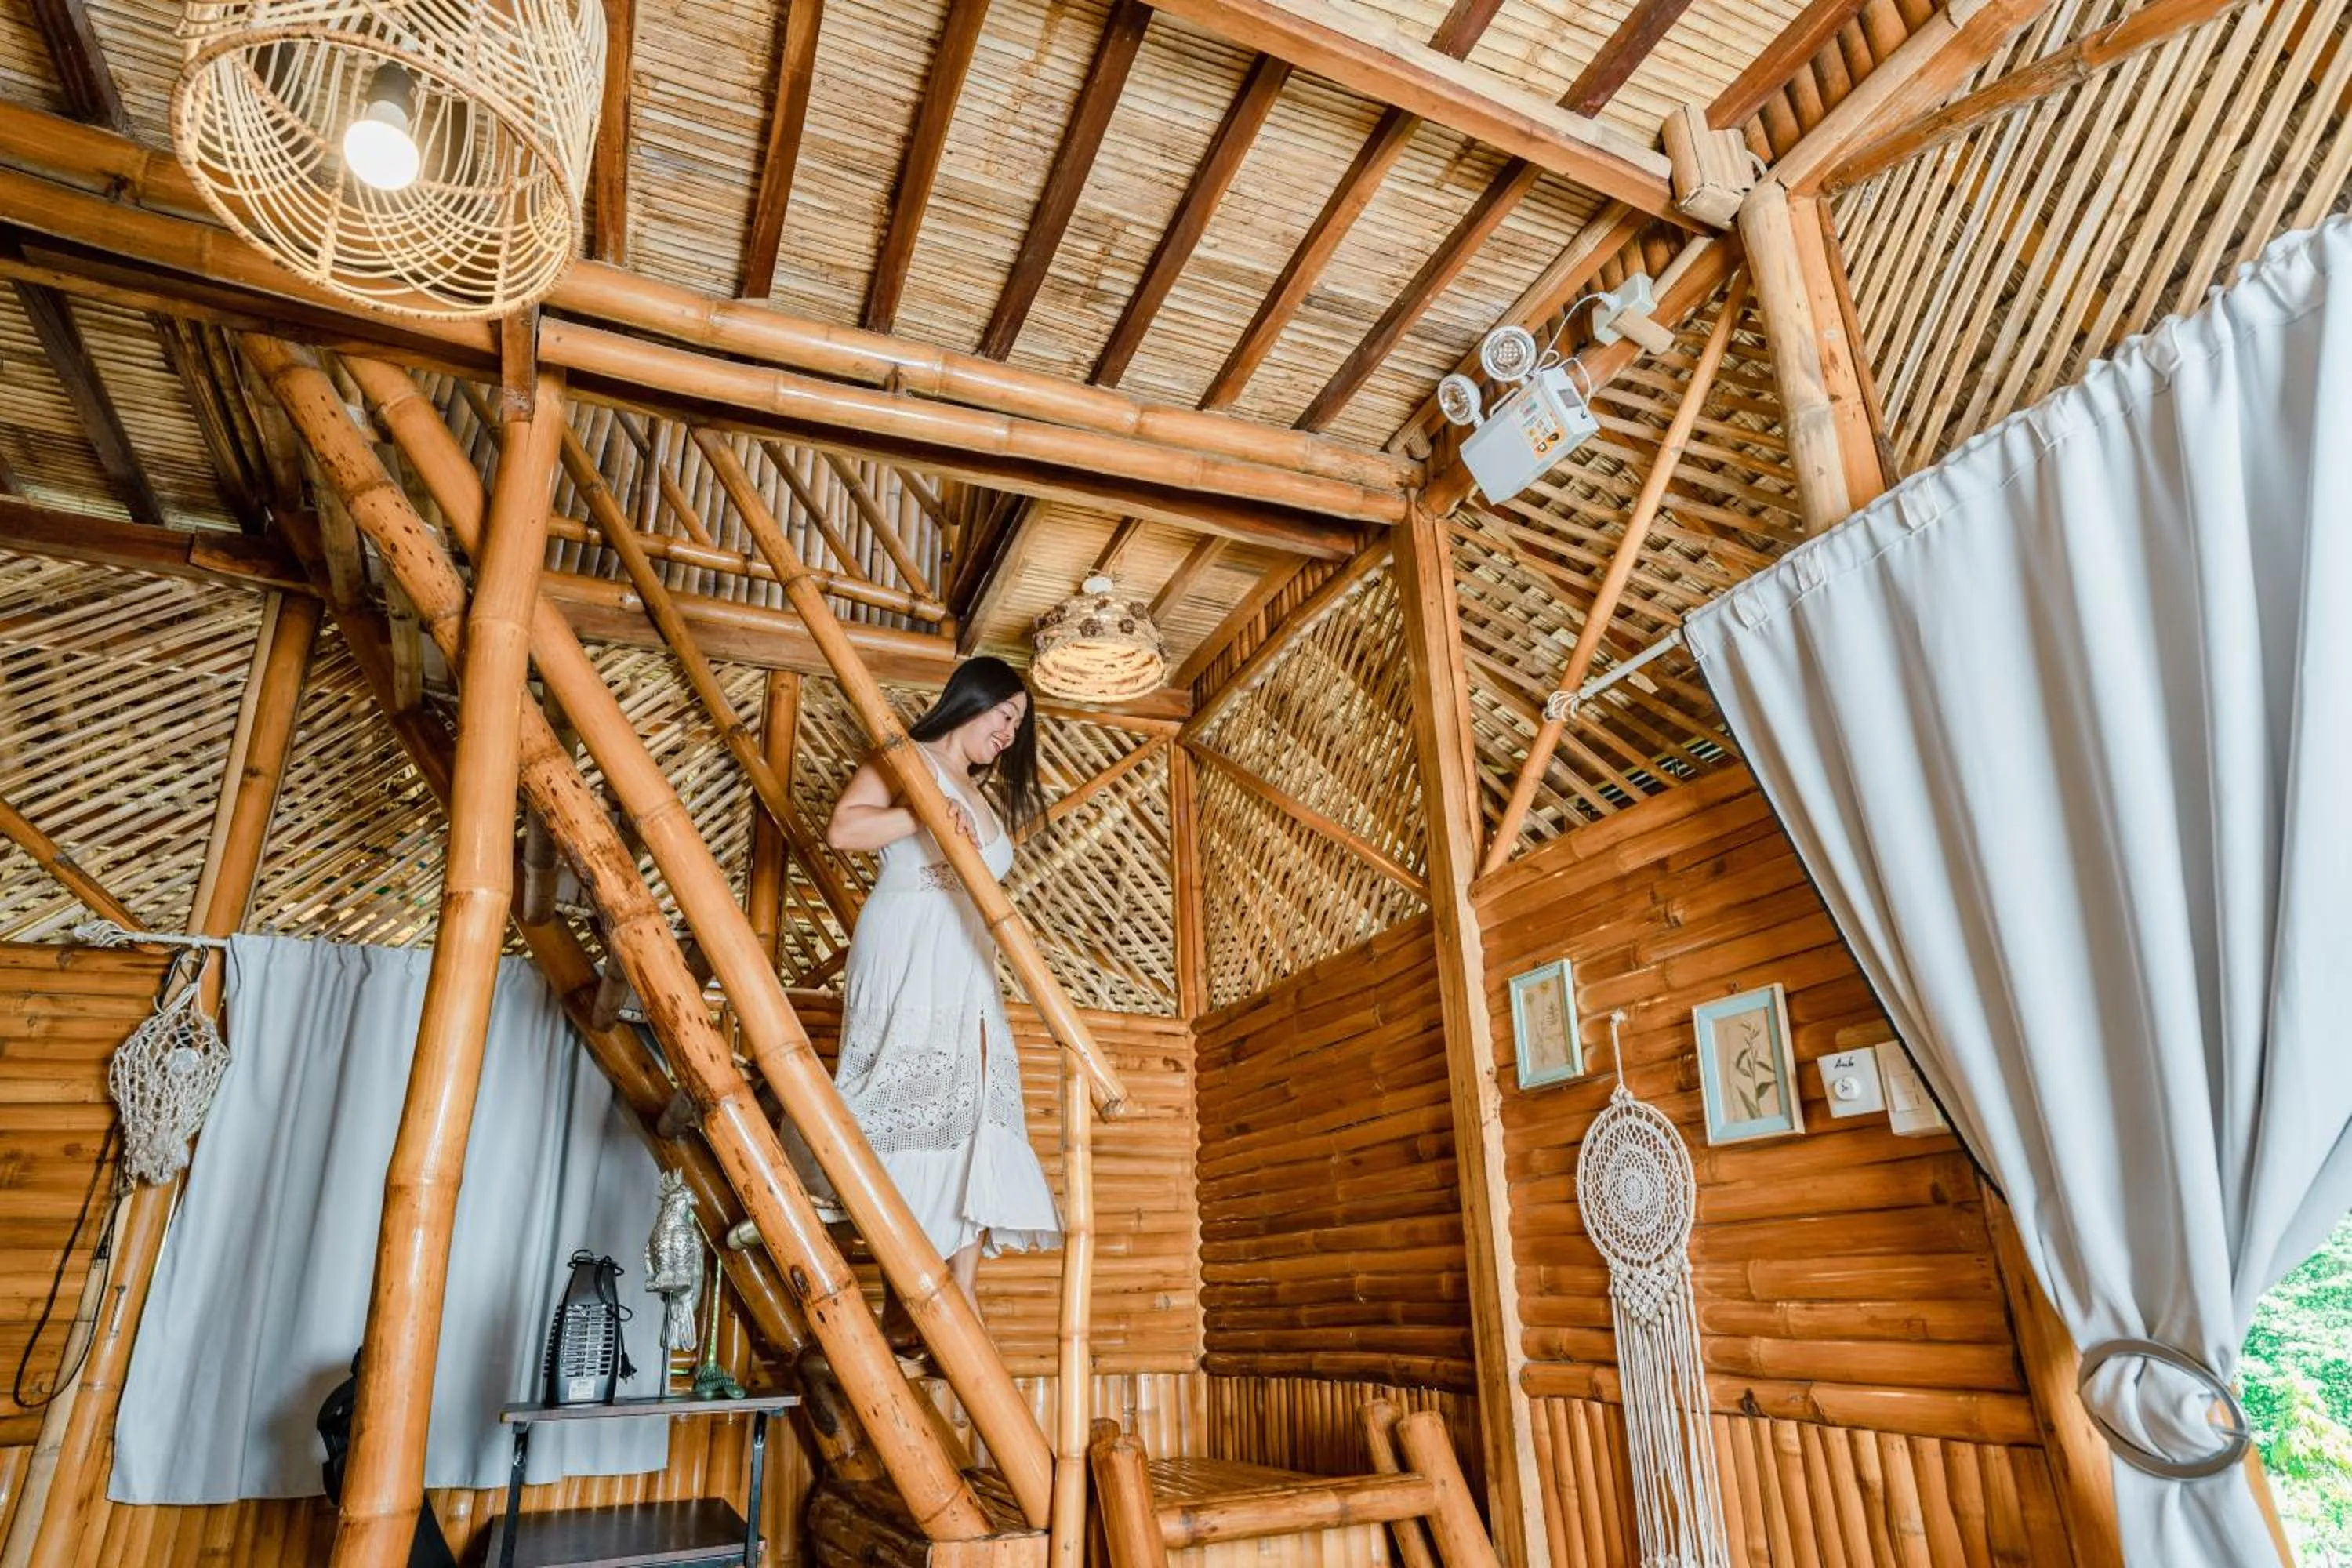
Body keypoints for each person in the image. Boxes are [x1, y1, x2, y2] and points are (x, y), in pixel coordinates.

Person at [815, 655, 1061, 1329]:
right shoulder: (905, 758)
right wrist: (921, 815)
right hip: (908, 942)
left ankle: (961, 1286)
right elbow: (844, 829)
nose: (1010, 733)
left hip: (968, 959)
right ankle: (907, 1286)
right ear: (972, 699)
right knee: (906, 1095)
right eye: (1006, 715)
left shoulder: (981, 795)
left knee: (977, 1100)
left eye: (1019, 725)